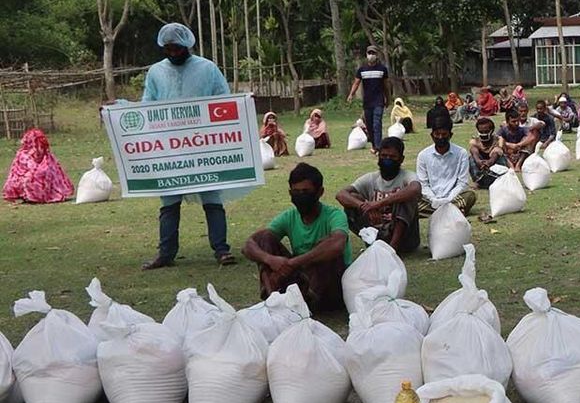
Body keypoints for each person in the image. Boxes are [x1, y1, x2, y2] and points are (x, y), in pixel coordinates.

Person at [140, 23, 235, 269]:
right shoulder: (155, 72)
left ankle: (222, 250)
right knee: (169, 202)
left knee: (212, 198)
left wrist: (243, 105)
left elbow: (224, 100)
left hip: (203, 146)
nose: (173, 53)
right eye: (168, 48)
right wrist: (117, 109)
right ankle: (166, 254)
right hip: (170, 149)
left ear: (187, 45)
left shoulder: (208, 68)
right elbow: (146, 106)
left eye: (177, 48)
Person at [243, 163, 351, 314]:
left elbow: (337, 245)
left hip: (330, 286)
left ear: (320, 192)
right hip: (300, 278)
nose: (301, 196)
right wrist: (270, 259)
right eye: (296, 192)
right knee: (264, 238)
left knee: (326, 246)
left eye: (306, 191)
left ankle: (304, 304)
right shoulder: (289, 217)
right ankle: (272, 298)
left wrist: (293, 263)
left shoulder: (334, 215)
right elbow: (248, 246)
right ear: (290, 193)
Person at [335, 137, 421, 255]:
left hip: (405, 238)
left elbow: (415, 189)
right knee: (352, 199)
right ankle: (373, 243)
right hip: (377, 231)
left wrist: (378, 204)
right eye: (384, 156)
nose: (387, 160)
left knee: (406, 196)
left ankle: (392, 249)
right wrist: (364, 206)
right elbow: (341, 194)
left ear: (401, 159)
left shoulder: (407, 176)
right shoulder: (371, 178)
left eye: (392, 157)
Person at [416, 117, 477, 217]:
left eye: (444, 134)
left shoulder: (461, 153)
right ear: (432, 135)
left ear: (450, 135)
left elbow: (463, 183)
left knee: (470, 195)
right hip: (430, 200)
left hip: (453, 198)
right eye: (437, 134)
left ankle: (438, 212)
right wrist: (433, 199)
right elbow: (423, 184)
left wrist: (449, 199)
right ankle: (453, 211)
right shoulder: (423, 155)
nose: (440, 137)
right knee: (412, 200)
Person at [3, 128, 73, 204]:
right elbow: (16, 172)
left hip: (41, 184)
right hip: (25, 181)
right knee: (27, 179)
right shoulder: (23, 155)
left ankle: (35, 196)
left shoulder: (47, 157)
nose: (38, 147)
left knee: (32, 178)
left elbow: (53, 173)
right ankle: (27, 195)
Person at [346, 45, 392, 150]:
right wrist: (351, 94)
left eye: (373, 53)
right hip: (367, 102)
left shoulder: (382, 69)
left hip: (379, 101)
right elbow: (356, 83)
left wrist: (388, 98)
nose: (371, 55)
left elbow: (386, 85)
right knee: (370, 125)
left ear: (377, 55)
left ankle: (378, 147)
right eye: (369, 53)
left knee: (377, 124)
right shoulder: (362, 70)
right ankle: (374, 145)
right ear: (366, 55)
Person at [468, 116, 507, 188]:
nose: (483, 134)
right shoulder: (475, 140)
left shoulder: (498, 139)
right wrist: (478, 161)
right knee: (471, 158)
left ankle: (499, 180)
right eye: (481, 132)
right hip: (481, 167)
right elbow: (473, 150)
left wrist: (490, 162)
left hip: (495, 170)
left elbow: (496, 151)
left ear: (492, 130)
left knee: (501, 157)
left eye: (486, 131)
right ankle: (477, 181)